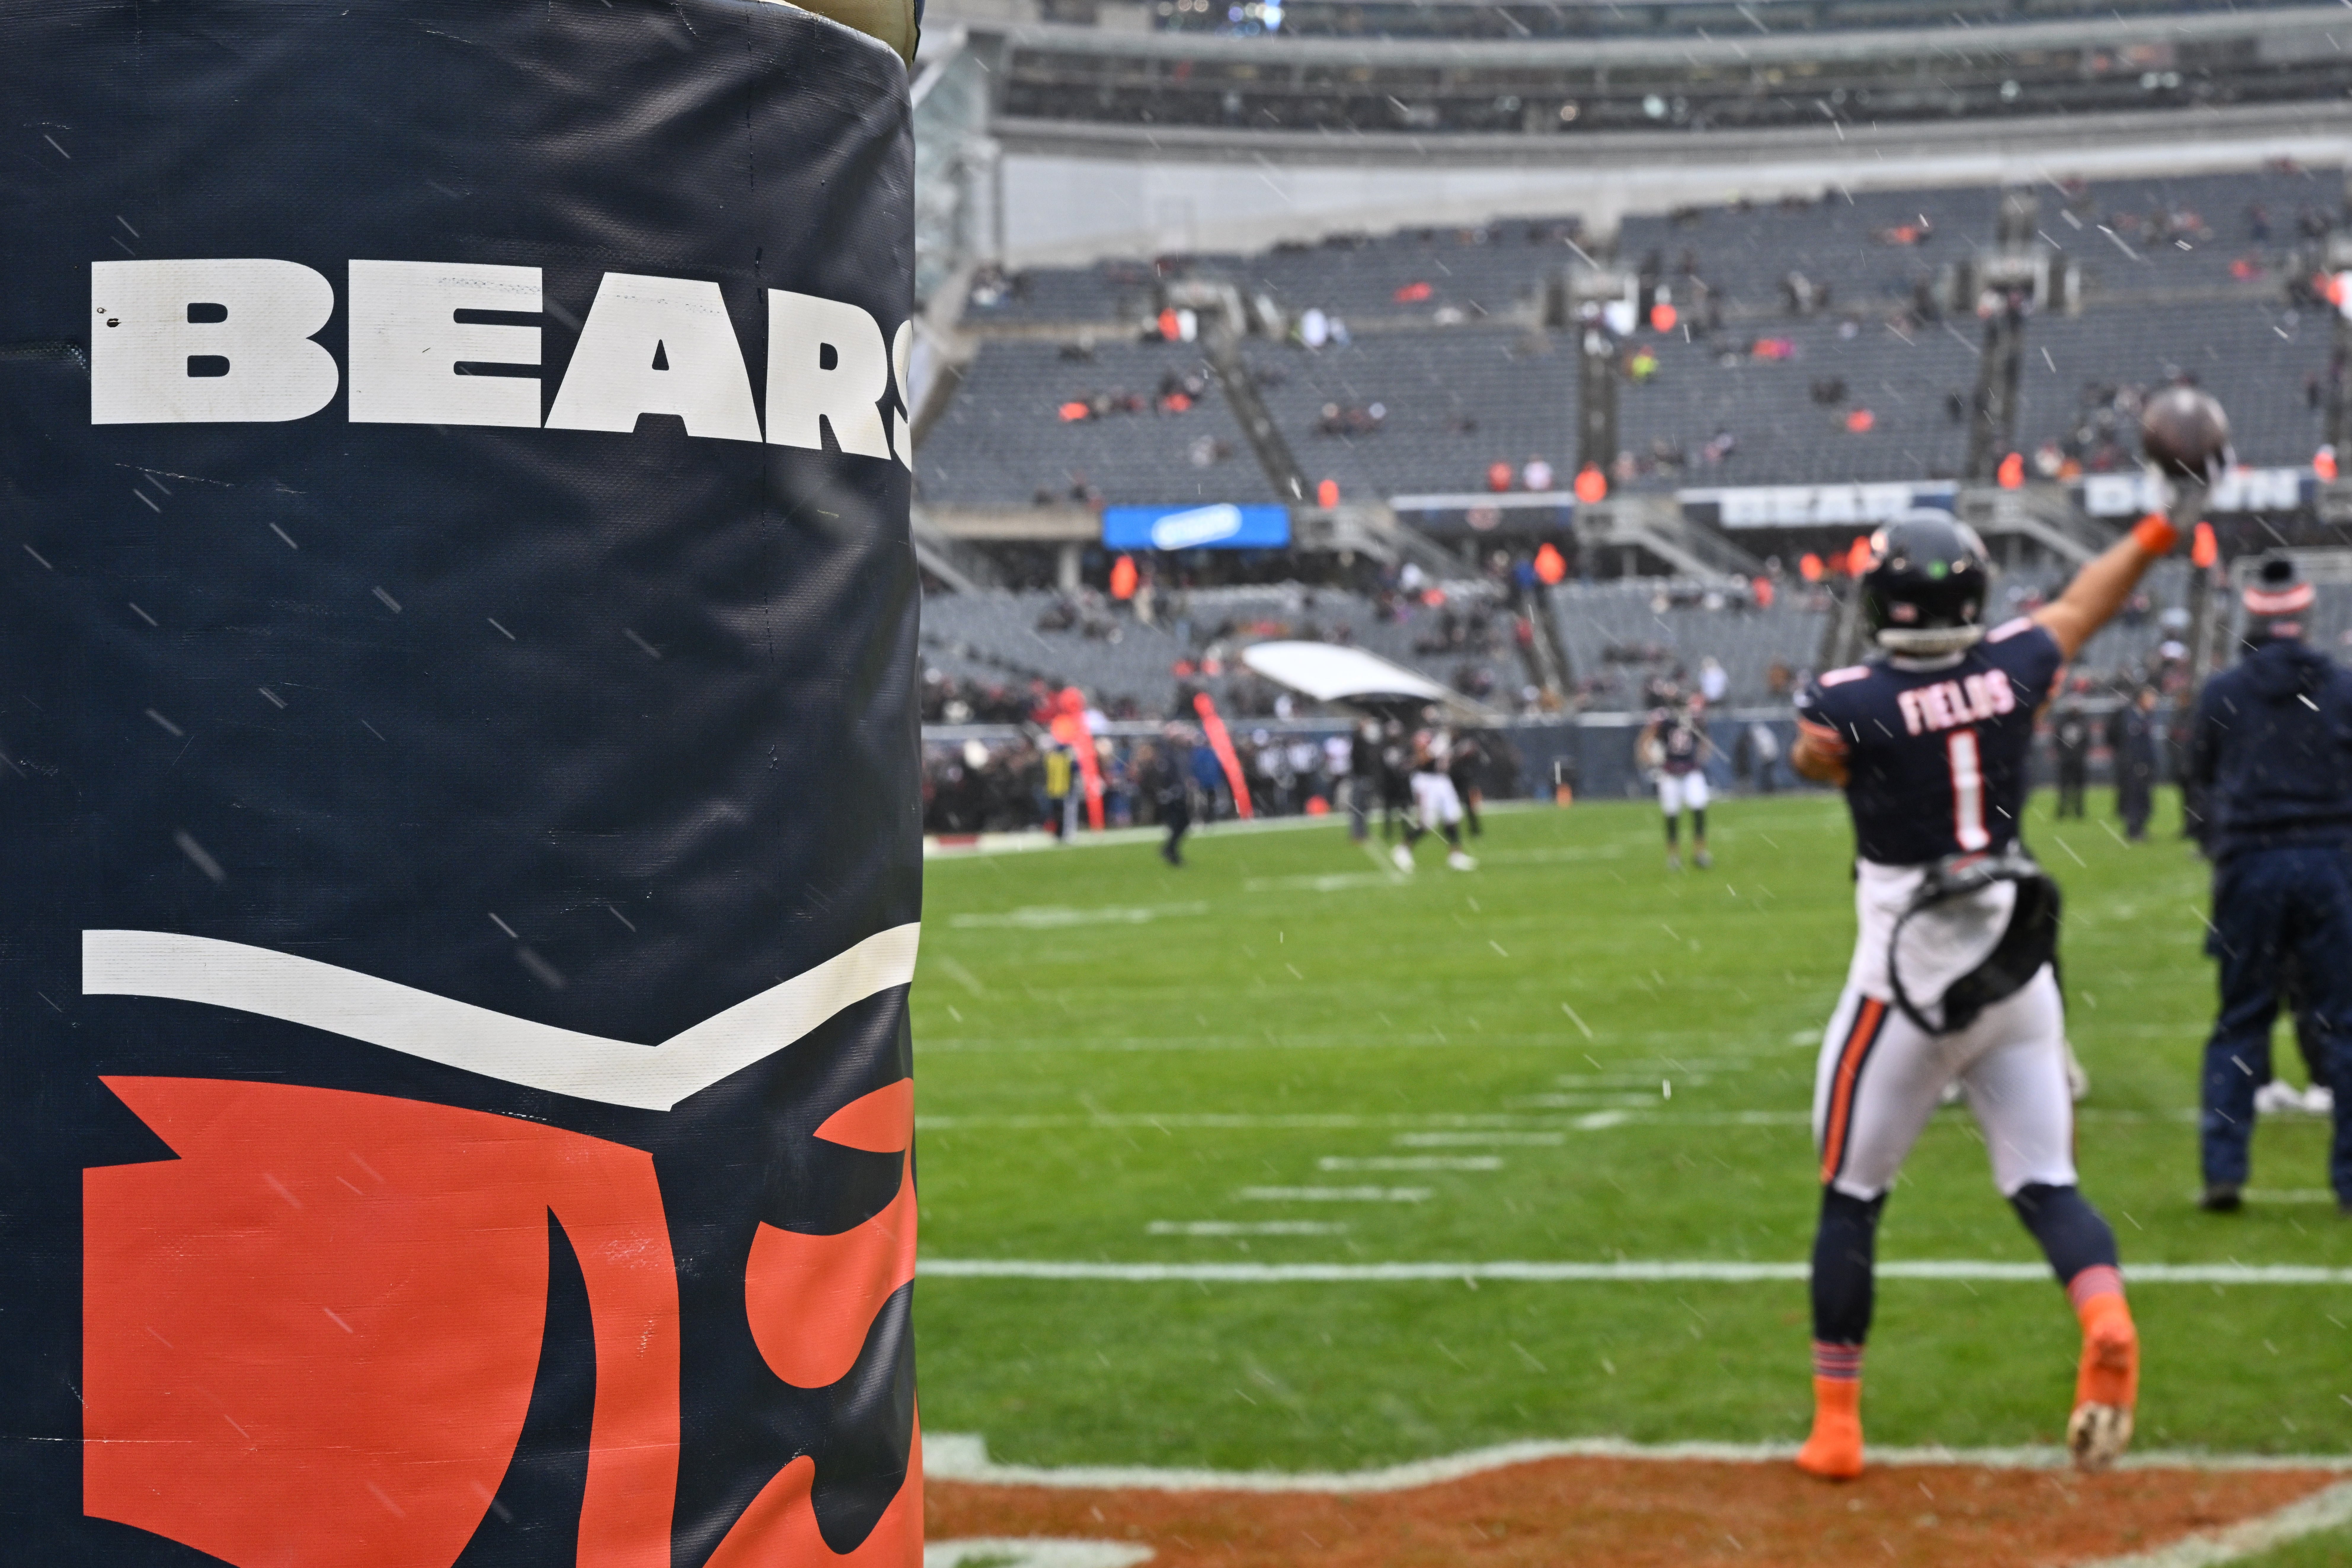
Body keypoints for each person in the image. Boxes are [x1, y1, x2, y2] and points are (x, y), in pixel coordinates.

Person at [1787, 509, 2182, 1481]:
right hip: (2013, 967)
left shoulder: (1849, 697)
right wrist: (2155, 527)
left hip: (1904, 989)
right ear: (1972, 591)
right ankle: (2103, 1316)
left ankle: (1836, 1426)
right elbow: (2086, 603)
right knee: (2046, 1184)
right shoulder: (2013, 664)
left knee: (1850, 1196)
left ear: (1881, 599)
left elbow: (1813, 752)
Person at [2186, 553, 2352, 1216]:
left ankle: (2223, 1170)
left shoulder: (2221, 694)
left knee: (2239, 1020)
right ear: (2303, 617)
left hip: (2250, 865)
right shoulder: (2340, 689)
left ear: (2249, 617)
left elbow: (2195, 778)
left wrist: (2218, 850)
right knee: (2342, 1025)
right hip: (2328, 864)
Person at [1641, 698, 1713, 869]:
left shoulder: (1694, 721)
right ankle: (1674, 856)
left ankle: (1700, 853)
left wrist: (1701, 758)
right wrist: (1649, 757)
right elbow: (1647, 739)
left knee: (1698, 809)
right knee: (1672, 814)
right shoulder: (1664, 722)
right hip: (1671, 773)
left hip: (1690, 772)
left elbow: (1706, 742)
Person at [1392, 728, 1476, 872]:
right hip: (1427, 781)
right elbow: (1422, 760)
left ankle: (1456, 855)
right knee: (1426, 823)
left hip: (1442, 780)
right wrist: (1433, 751)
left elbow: (1449, 760)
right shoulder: (1427, 736)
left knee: (1452, 817)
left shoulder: (1444, 738)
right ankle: (1403, 849)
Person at [2110, 686, 2161, 841]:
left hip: (2143, 764)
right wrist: (2133, 762)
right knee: (2134, 798)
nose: (2154, 703)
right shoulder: (2130, 717)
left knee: (2144, 798)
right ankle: (2134, 830)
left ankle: (2139, 828)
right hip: (2133, 765)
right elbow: (2125, 741)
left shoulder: (2145, 717)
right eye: (2151, 699)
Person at [1149, 725, 1194, 866]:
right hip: (1173, 796)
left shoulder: (1175, 753)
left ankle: (1170, 849)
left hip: (1176, 794)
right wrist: (1169, 790)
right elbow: (1164, 776)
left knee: (1181, 824)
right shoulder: (1168, 755)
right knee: (1181, 823)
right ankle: (1171, 851)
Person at [2052, 698, 2091, 820]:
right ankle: (2063, 811)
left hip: (2077, 760)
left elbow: (2087, 742)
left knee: (2078, 787)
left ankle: (2078, 811)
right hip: (2067, 760)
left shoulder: (2082, 722)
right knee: (2064, 787)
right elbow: (2057, 741)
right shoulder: (2065, 722)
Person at [1447, 729, 1488, 837]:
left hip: (1464, 779)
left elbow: (1473, 753)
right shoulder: (1450, 745)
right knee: (1452, 807)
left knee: (1470, 806)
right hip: (1454, 779)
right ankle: (1453, 830)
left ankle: (1475, 830)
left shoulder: (1464, 744)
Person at [1347, 720, 1381, 841]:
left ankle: (1362, 833)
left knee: (1363, 808)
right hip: (1360, 778)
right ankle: (1358, 834)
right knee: (1359, 807)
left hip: (1363, 777)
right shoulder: (1359, 742)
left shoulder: (1363, 743)